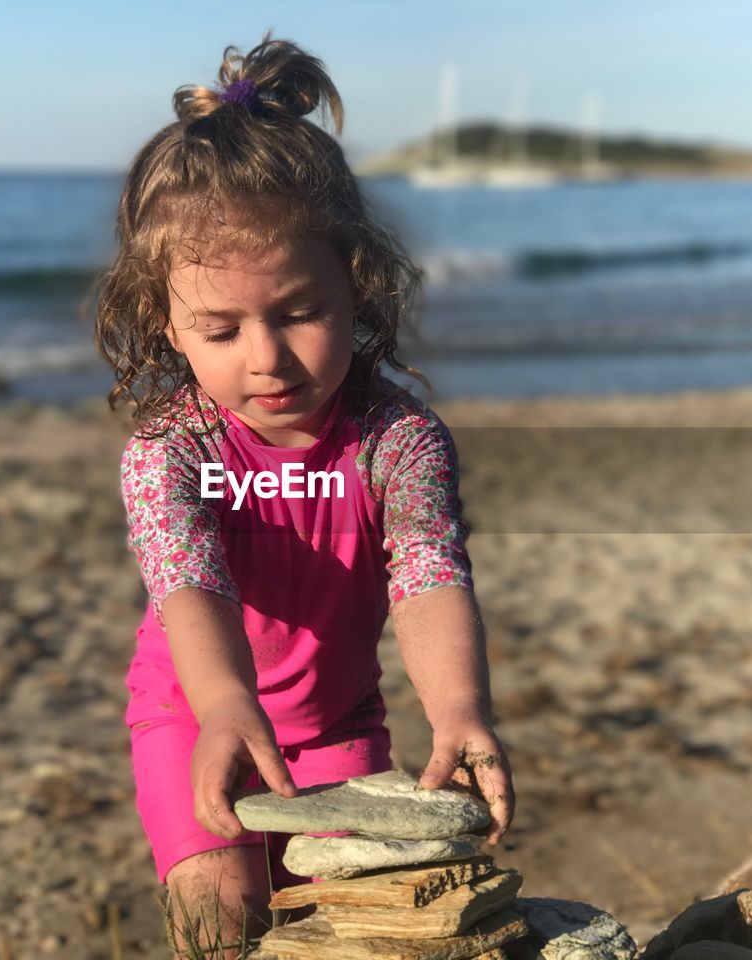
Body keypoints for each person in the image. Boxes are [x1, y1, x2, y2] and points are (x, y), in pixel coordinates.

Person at [94, 33, 514, 959]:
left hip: (342, 728)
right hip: (193, 714)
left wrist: (457, 711)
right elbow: (188, 581)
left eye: (299, 312)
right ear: (166, 324)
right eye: (221, 326)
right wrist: (224, 708)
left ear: (355, 288)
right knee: (222, 918)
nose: (268, 357)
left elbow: (429, 574)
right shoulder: (172, 451)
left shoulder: (396, 442)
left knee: (354, 930)